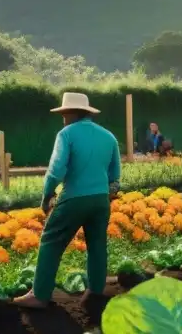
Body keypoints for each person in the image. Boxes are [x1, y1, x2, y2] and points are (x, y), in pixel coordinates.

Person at [14, 93, 120, 310]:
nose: (62, 118)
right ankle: (95, 291)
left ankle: (40, 294)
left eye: (64, 113)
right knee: (97, 245)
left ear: (72, 113)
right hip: (101, 200)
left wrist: (46, 198)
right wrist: (104, 194)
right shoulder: (109, 136)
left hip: (74, 198)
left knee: (51, 241)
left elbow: (55, 171)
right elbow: (115, 175)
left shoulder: (66, 134)